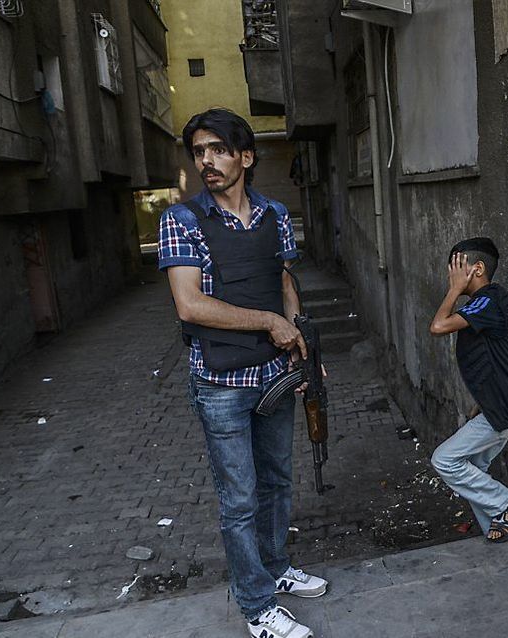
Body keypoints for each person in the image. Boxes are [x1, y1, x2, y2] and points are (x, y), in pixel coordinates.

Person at [158, 108, 326, 638]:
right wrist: (270, 322)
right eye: (199, 151)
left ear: (246, 157)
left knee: (277, 481)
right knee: (240, 497)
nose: (207, 160)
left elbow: (282, 280)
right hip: (221, 382)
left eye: (219, 150)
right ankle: (256, 605)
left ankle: (275, 570)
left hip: (273, 376)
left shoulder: (275, 214)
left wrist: (297, 333)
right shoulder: (182, 221)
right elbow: (190, 305)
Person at [428, 238, 508, 542]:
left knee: (445, 460)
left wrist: (453, 290)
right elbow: (494, 357)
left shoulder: (488, 299)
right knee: (474, 466)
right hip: (504, 404)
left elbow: (438, 326)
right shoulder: (484, 304)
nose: (451, 276)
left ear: (476, 269)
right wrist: (483, 399)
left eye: (457, 268)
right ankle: (496, 521)